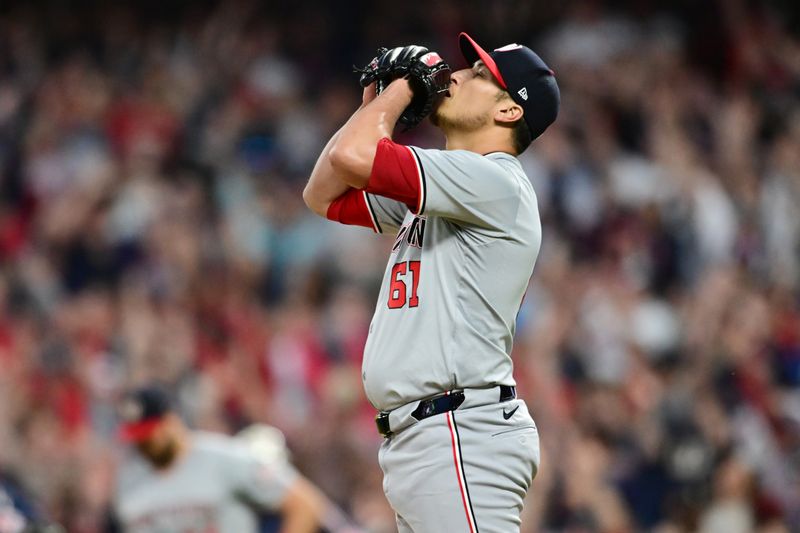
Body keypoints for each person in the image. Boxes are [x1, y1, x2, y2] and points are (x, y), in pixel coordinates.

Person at [303, 32, 559, 532]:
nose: (457, 76)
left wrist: (399, 93)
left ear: (509, 112)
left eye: (481, 75)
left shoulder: (495, 181)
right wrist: (377, 106)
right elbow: (323, 193)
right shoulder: (454, 182)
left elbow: (353, 158)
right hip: (431, 435)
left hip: (459, 430)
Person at [108, 385, 329, 533]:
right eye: (138, 438)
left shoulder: (225, 458)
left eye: (149, 435)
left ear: (172, 421)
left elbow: (306, 504)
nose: (144, 444)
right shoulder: (127, 480)